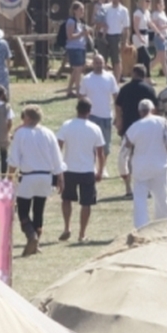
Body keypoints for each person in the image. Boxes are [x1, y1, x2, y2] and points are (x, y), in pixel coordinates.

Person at [7, 105, 64, 256]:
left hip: (28, 176)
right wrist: (60, 177)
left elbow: (14, 159)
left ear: (28, 118)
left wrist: (9, 177)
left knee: (23, 210)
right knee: (39, 210)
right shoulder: (48, 133)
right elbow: (57, 157)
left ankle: (31, 236)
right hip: (46, 176)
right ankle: (36, 242)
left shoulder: (21, 133)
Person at [56, 98, 105, 242]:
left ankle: (67, 227)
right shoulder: (95, 128)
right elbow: (100, 153)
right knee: (86, 203)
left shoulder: (67, 125)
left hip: (69, 169)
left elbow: (58, 147)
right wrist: (100, 170)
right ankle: (82, 234)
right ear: (89, 111)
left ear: (77, 109)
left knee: (66, 199)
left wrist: (57, 167)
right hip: (87, 170)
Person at [124, 100, 167, 228]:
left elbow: (126, 145)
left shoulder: (135, 126)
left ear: (140, 112)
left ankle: (141, 227)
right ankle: (164, 224)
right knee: (162, 196)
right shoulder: (162, 122)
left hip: (140, 167)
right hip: (160, 164)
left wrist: (124, 167)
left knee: (140, 199)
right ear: (152, 110)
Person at [115, 65, 158, 197]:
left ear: (134, 73)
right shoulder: (149, 89)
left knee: (127, 157)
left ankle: (129, 188)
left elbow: (118, 107)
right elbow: (155, 109)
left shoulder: (125, 89)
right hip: (146, 129)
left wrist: (119, 122)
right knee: (145, 157)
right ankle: (147, 188)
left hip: (128, 128)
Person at [80, 54, 118, 166]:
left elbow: (115, 96)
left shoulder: (110, 78)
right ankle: (91, 167)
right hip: (91, 116)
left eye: (101, 63)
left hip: (106, 116)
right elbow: (82, 97)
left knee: (105, 146)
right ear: (93, 64)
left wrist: (117, 115)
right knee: (91, 145)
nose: (99, 65)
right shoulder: (87, 79)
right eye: (96, 63)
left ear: (104, 64)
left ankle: (102, 167)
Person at [103, 0, 131, 81]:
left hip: (116, 36)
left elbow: (126, 27)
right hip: (104, 35)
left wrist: (125, 41)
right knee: (103, 59)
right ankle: (104, 80)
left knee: (116, 60)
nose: (116, 0)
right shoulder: (105, 7)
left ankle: (116, 81)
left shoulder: (123, 10)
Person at [64, 2, 91, 97]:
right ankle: (78, 90)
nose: (83, 11)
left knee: (77, 70)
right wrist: (82, 34)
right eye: (80, 9)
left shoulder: (80, 22)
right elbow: (70, 36)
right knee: (78, 69)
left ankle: (69, 90)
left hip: (81, 47)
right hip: (74, 48)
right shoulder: (71, 21)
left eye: (83, 9)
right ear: (75, 10)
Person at [151, 0, 167, 77]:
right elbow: (156, 27)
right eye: (161, 3)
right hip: (159, 37)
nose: (163, 5)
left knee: (163, 58)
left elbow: (164, 26)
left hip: (165, 37)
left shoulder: (163, 13)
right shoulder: (155, 14)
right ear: (157, 5)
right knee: (161, 58)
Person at [132, 0, 156, 76]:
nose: (149, 3)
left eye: (149, 1)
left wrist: (158, 32)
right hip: (138, 36)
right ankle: (148, 77)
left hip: (145, 36)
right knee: (147, 58)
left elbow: (150, 23)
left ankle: (138, 76)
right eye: (147, 1)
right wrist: (140, 37)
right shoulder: (138, 13)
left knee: (140, 59)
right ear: (142, 1)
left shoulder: (147, 12)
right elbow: (135, 26)